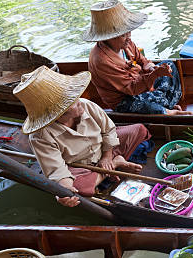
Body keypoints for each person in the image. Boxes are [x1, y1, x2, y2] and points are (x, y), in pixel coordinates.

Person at [13, 65, 151, 207]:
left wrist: (107, 156)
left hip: (103, 150)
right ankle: (115, 165)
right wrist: (64, 192)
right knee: (78, 190)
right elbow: (58, 171)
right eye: (72, 101)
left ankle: (111, 164)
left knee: (139, 129)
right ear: (58, 114)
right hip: (80, 166)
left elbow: (109, 131)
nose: (79, 100)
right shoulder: (40, 137)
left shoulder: (86, 105)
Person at [84, 0, 192, 116]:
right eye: (124, 35)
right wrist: (155, 75)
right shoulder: (101, 60)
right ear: (109, 37)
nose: (129, 37)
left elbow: (142, 60)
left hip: (143, 86)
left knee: (170, 64)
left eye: (128, 32)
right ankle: (167, 110)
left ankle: (164, 105)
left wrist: (152, 68)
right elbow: (131, 88)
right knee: (140, 105)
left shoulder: (126, 43)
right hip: (126, 97)